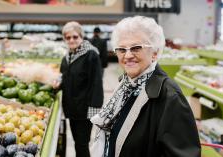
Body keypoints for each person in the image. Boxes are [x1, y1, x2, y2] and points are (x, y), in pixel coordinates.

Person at [90, 16, 201, 157]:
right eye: (122, 49)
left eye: (136, 48)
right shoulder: (126, 86)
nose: (128, 55)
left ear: (154, 53)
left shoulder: (169, 97)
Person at [59, 21, 104, 157]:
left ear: (81, 37)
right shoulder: (67, 57)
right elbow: (65, 78)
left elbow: (96, 84)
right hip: (72, 108)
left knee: (82, 143)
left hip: (84, 110)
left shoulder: (91, 55)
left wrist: (93, 112)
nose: (72, 40)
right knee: (77, 142)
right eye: (68, 37)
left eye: (75, 37)